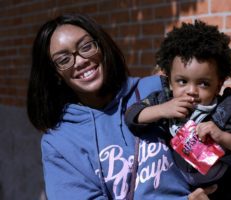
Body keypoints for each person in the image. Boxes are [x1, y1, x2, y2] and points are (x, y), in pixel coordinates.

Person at [27, 13, 217, 200]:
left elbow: (222, 139)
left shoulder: (157, 90)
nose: (80, 61)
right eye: (63, 59)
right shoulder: (60, 142)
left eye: (86, 46)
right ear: (55, 74)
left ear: (101, 46)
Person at [125, 20, 231, 200]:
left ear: (219, 84)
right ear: (169, 80)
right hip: (178, 185)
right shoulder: (164, 100)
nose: (191, 91)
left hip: (221, 185)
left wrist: (221, 136)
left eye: (203, 84)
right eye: (182, 81)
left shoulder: (227, 108)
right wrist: (162, 110)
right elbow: (132, 115)